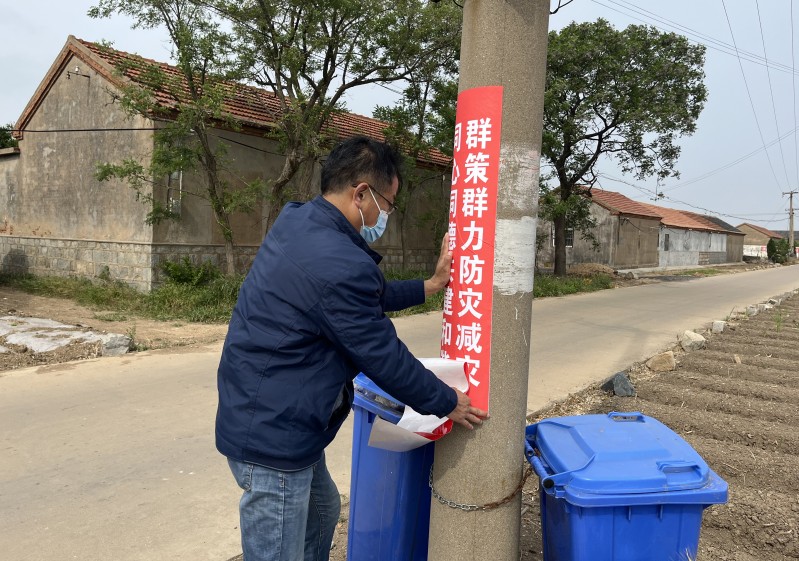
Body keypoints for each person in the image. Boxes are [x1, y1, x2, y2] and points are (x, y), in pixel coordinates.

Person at [216, 136, 488, 561]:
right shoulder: (338, 262)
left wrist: (431, 285)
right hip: (273, 436)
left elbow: (358, 298)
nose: (387, 215)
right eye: (388, 203)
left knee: (324, 510)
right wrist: (446, 401)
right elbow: (381, 355)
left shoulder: (301, 222)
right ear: (361, 193)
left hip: (275, 413)